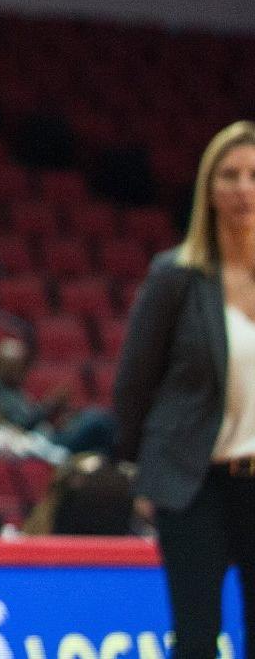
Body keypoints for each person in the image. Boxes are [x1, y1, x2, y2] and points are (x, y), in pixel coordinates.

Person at [113, 120, 255, 659]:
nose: (243, 188)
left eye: (254, 176)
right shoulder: (176, 275)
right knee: (196, 638)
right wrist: (144, 471)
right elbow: (135, 382)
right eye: (229, 175)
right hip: (194, 484)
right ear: (208, 189)